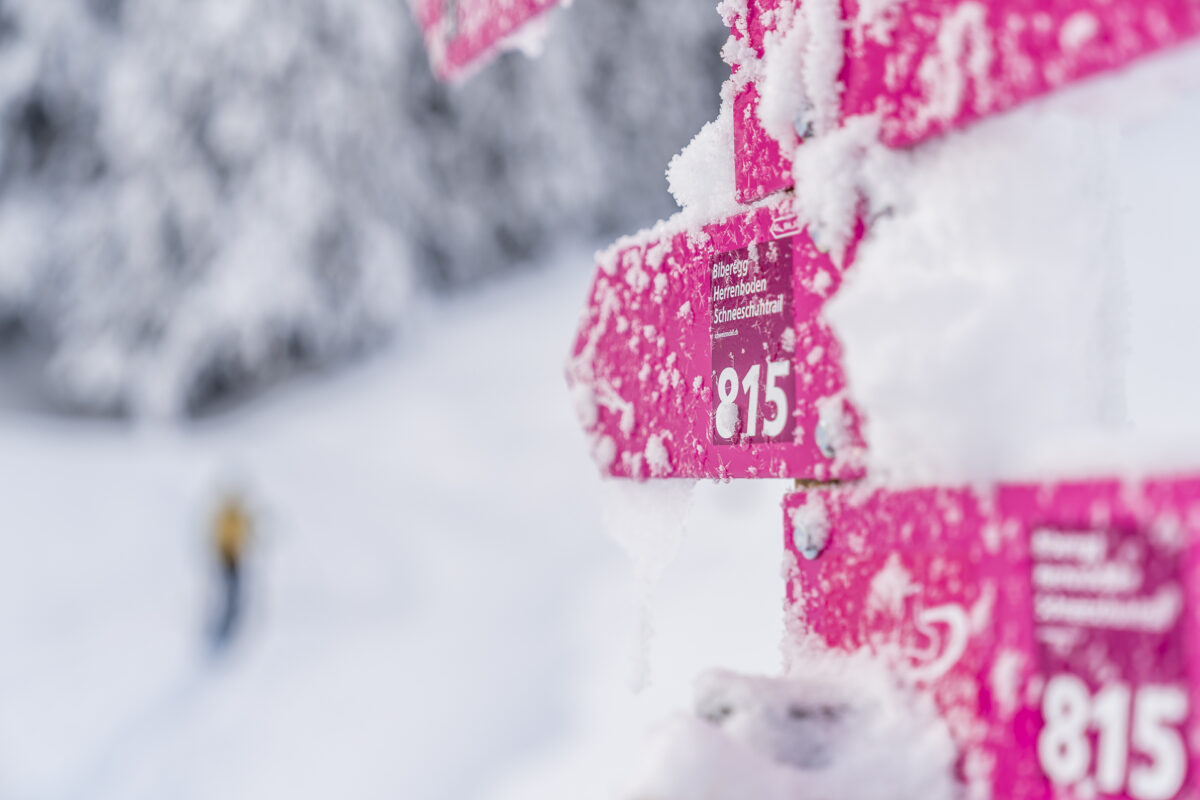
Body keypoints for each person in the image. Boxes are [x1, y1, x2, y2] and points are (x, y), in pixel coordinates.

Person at [210, 491, 253, 650]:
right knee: (228, 590)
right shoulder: (227, 519)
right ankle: (227, 616)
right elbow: (220, 538)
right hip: (227, 559)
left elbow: (245, 535)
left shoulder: (235, 518)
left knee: (233, 589)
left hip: (234, 559)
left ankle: (232, 613)